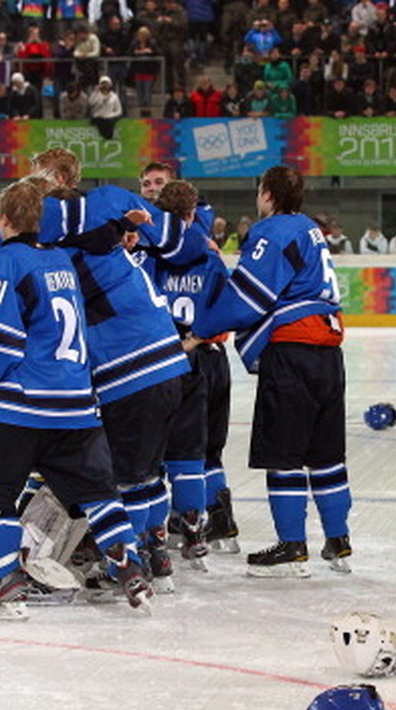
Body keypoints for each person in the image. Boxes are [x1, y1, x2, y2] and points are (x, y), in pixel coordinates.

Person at [0, 178, 153, 618]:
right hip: (76, 403)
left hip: (21, 403)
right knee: (100, 495)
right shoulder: (62, 259)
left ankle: (6, 579)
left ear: (3, 219)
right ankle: (131, 566)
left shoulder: (6, 261)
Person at [31, 147, 190, 594]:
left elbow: (44, 224)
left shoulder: (70, 225)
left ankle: (129, 560)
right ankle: (156, 551)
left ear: (61, 179)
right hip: (165, 358)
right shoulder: (101, 220)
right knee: (148, 469)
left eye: (38, 179)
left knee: (123, 473)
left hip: (129, 366)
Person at [190, 165, 354, 577]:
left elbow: (247, 297)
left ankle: (292, 545)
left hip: (293, 352)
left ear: (267, 194)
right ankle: (338, 540)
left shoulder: (272, 231)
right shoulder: (309, 229)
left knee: (284, 452)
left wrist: (200, 331)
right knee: (325, 454)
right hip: (329, 354)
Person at [145, 179, 239, 559]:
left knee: (149, 455)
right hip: (202, 357)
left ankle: (152, 538)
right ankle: (199, 527)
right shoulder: (210, 256)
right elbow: (229, 307)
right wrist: (198, 337)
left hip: (159, 362)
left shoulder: (148, 255)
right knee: (196, 450)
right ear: (192, 214)